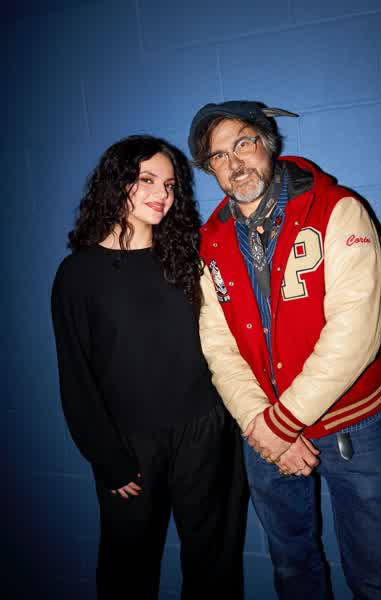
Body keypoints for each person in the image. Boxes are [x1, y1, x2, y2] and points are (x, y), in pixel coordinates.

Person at [189, 101, 381, 599]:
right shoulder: (211, 242)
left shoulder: (338, 210)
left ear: (267, 144)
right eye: (219, 156)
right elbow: (218, 343)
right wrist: (262, 423)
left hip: (350, 425)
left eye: (243, 144)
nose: (235, 163)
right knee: (292, 570)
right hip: (264, 430)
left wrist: (282, 422)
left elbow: (356, 329)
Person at [51, 135, 247, 599]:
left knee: (214, 561)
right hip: (130, 445)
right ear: (117, 183)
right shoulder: (78, 274)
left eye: (171, 185)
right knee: (127, 567)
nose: (162, 193)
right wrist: (108, 459)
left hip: (205, 432)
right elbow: (76, 377)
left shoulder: (187, 258)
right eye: (147, 180)